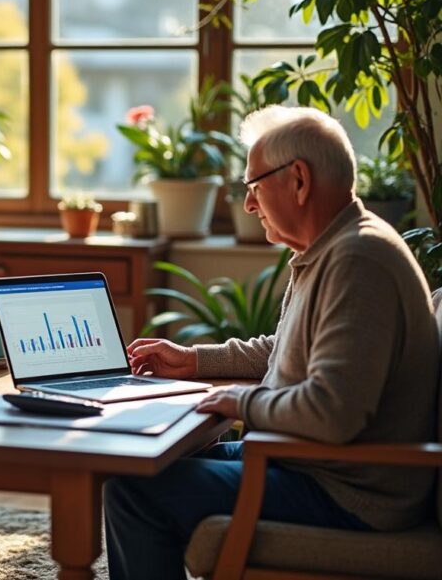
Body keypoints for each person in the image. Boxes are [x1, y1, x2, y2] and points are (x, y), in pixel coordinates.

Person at [104, 106, 439, 580]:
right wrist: (193, 360)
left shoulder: (359, 262)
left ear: (298, 180)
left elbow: (333, 412)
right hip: (311, 466)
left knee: (132, 492)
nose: (248, 205)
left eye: (253, 186)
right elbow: (282, 349)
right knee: (146, 463)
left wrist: (241, 402)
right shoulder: (330, 249)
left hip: (344, 490)